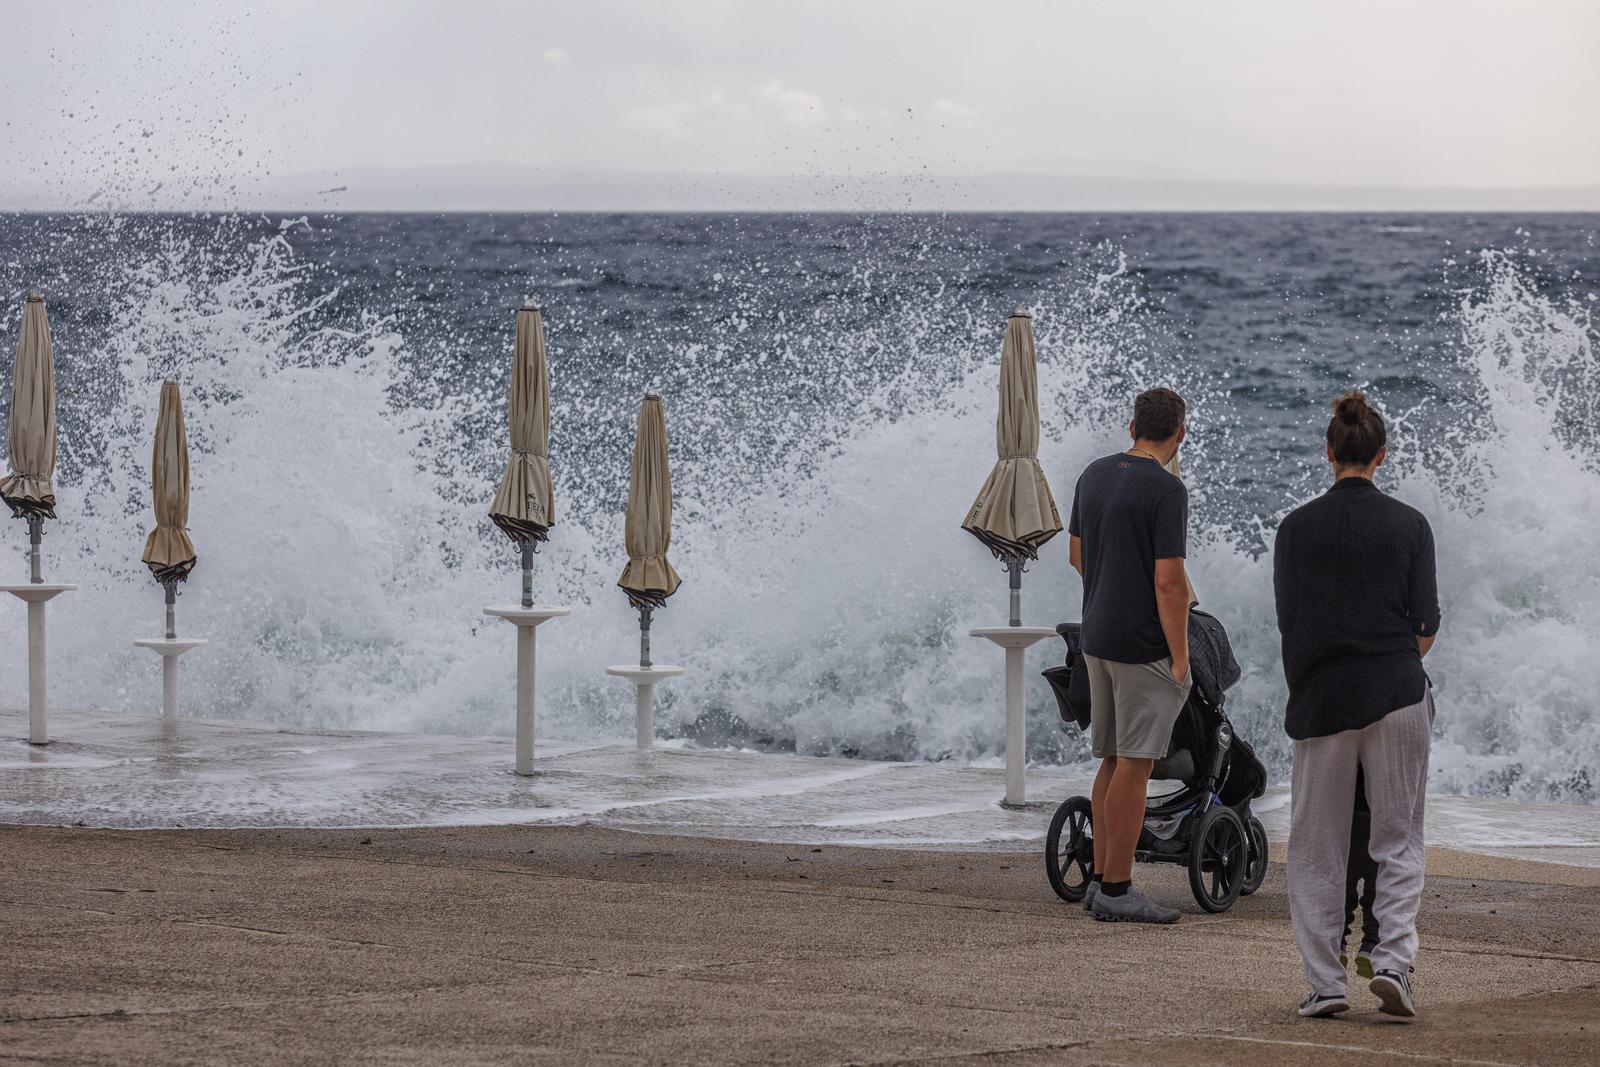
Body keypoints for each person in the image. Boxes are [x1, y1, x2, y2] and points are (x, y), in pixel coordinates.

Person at [1274, 392, 1439, 1020]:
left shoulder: (1296, 527)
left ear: (1329, 453)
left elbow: (1290, 619)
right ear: (1381, 454)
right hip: (1397, 691)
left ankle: (1326, 983)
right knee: (1398, 838)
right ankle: (1393, 961)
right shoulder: (1409, 524)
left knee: (1317, 845)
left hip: (1323, 696)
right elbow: (1426, 624)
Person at [1068, 387, 1193, 925]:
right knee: (1136, 765)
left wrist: (1112, 589)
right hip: (1142, 645)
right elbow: (1169, 584)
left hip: (1096, 635)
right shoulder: (1167, 490)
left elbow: (1076, 555)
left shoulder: (1093, 473)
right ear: (1179, 434)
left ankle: (1099, 878)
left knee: (1113, 760)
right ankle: (1118, 889)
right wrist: (1181, 654)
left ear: (1132, 425)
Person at [1341, 769, 1380, 979]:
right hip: (1378, 826)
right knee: (1376, 891)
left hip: (1347, 825)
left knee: (1343, 889)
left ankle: (1337, 944)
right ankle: (1371, 945)